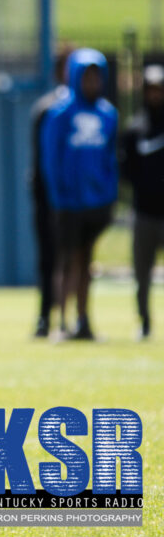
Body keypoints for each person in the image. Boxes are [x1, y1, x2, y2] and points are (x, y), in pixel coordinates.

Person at [41, 48, 118, 341]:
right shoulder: (60, 113)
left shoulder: (108, 114)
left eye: (96, 76)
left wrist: (108, 193)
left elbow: (111, 158)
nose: (92, 82)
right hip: (68, 203)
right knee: (67, 260)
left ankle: (84, 321)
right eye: (86, 75)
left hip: (96, 202)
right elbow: (51, 159)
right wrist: (58, 196)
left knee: (86, 262)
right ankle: (61, 321)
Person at [30, 44, 74, 337]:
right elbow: (39, 160)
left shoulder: (95, 108)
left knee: (78, 259)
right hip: (50, 197)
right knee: (49, 258)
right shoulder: (47, 108)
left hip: (79, 197)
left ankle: (75, 318)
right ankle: (46, 317)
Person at [121, 64, 164, 341]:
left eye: (159, 89)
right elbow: (126, 170)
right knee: (142, 274)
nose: (155, 95)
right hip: (144, 213)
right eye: (151, 89)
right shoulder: (135, 128)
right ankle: (144, 321)